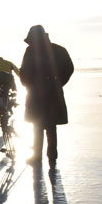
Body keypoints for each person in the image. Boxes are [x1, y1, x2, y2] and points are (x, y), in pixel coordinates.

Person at [19, 25, 74, 168]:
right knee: (50, 126)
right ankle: (51, 156)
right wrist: (59, 82)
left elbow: (24, 71)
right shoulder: (59, 50)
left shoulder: (31, 51)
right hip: (50, 93)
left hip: (37, 93)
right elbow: (69, 68)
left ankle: (38, 156)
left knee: (39, 126)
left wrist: (28, 84)